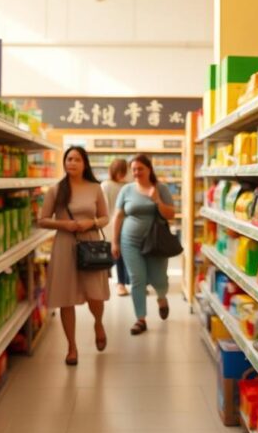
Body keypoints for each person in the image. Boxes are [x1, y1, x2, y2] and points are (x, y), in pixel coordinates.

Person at [37, 146, 110, 365]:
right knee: (65, 298)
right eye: (69, 159)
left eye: (77, 159)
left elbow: (105, 218)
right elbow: (42, 220)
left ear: (84, 163)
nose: (72, 163)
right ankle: (72, 347)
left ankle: (98, 323)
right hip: (65, 245)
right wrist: (65, 224)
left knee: (94, 294)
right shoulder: (56, 190)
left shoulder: (95, 188)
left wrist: (92, 222)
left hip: (91, 244)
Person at [112, 154, 176, 335]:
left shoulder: (160, 188)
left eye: (140, 169)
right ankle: (140, 319)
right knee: (137, 279)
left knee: (159, 279)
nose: (136, 172)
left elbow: (170, 214)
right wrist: (114, 242)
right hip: (129, 242)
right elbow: (118, 216)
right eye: (133, 169)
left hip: (156, 243)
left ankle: (162, 298)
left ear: (149, 169)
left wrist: (156, 200)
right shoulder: (126, 190)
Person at [100, 159, 130, 296]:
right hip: (116, 226)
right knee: (118, 256)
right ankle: (120, 284)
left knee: (118, 255)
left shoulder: (126, 186)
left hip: (115, 226)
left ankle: (121, 283)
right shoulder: (107, 186)